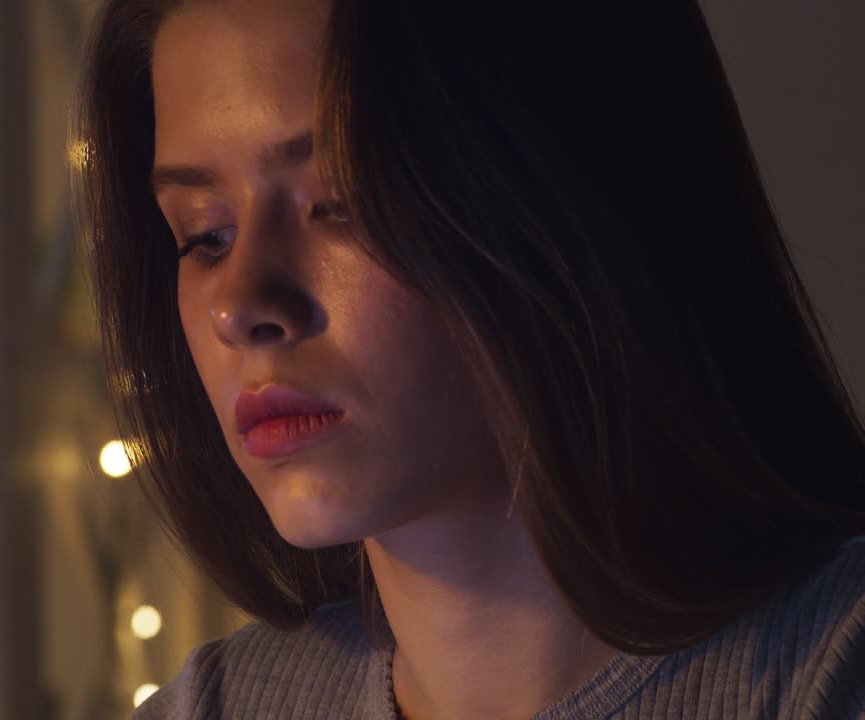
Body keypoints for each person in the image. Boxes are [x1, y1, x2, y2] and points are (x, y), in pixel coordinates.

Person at [72, 0, 865, 718]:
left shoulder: (827, 673)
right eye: (206, 235)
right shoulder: (211, 709)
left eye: (339, 199)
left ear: (558, 184)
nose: (240, 304)